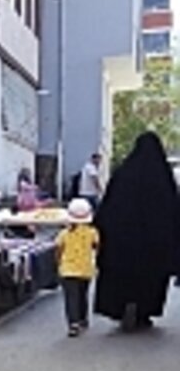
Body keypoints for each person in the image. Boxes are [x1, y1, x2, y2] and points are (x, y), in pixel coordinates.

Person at [94, 133, 180, 331]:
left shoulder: (123, 175)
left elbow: (107, 208)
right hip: (154, 246)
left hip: (122, 244)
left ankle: (120, 307)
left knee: (121, 276)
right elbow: (173, 211)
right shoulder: (163, 179)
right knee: (151, 278)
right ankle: (144, 312)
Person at [56, 198, 99, 337]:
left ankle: (73, 323)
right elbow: (96, 247)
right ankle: (83, 318)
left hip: (67, 269)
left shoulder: (64, 233)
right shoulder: (92, 232)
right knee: (82, 295)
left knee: (71, 297)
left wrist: (57, 263)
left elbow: (58, 249)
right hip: (86, 269)